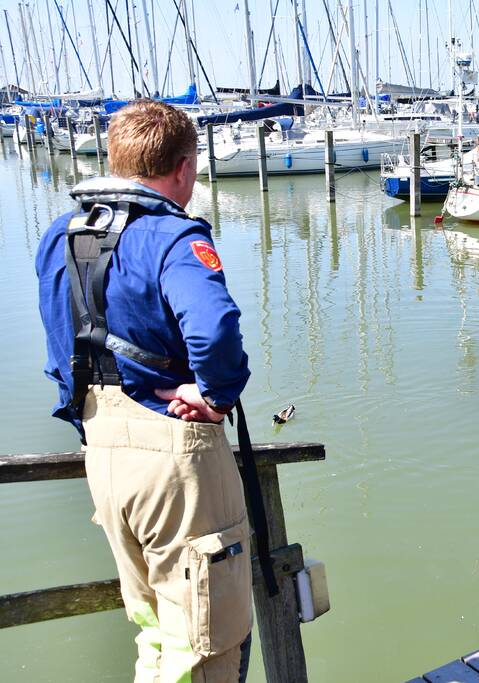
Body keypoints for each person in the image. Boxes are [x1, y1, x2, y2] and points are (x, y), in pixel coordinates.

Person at [36, 100, 255, 682]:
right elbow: (213, 329)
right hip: (173, 454)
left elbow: (61, 346)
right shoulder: (173, 236)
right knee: (207, 639)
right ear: (184, 168)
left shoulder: (59, 236)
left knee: (156, 632)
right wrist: (216, 394)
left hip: (103, 453)